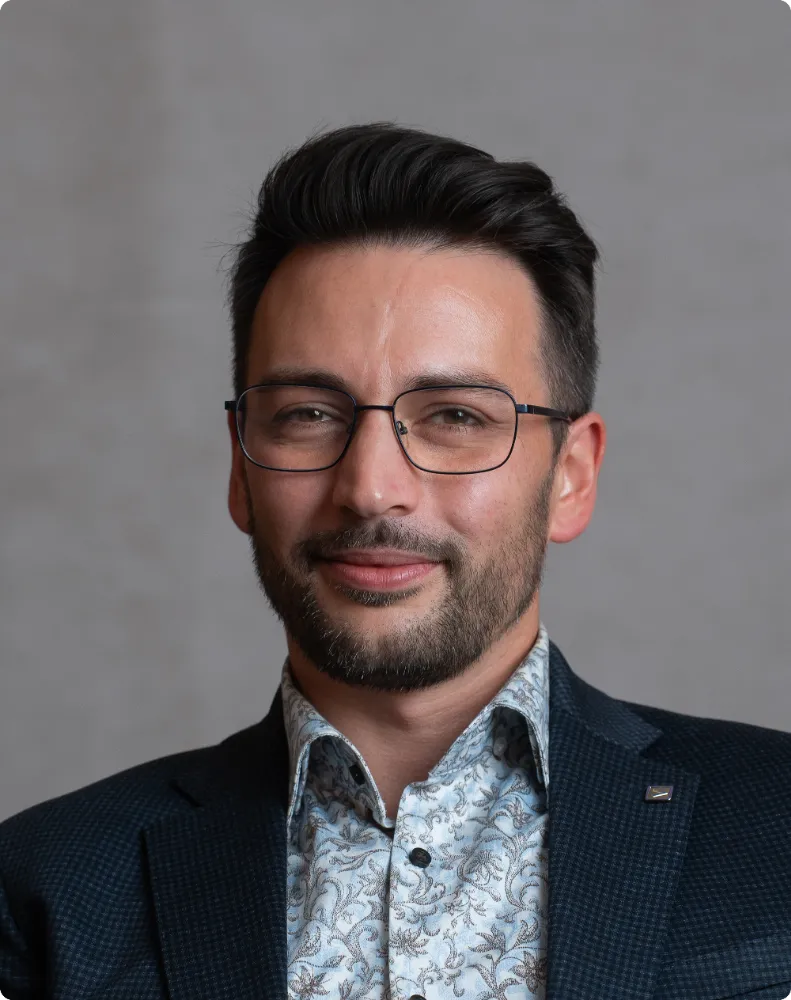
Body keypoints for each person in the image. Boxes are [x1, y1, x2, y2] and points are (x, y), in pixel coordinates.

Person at [2, 123, 790, 1000]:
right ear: (239, 466)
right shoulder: (44, 891)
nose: (371, 489)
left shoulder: (777, 830)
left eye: (455, 416)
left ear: (570, 476)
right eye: (307, 415)